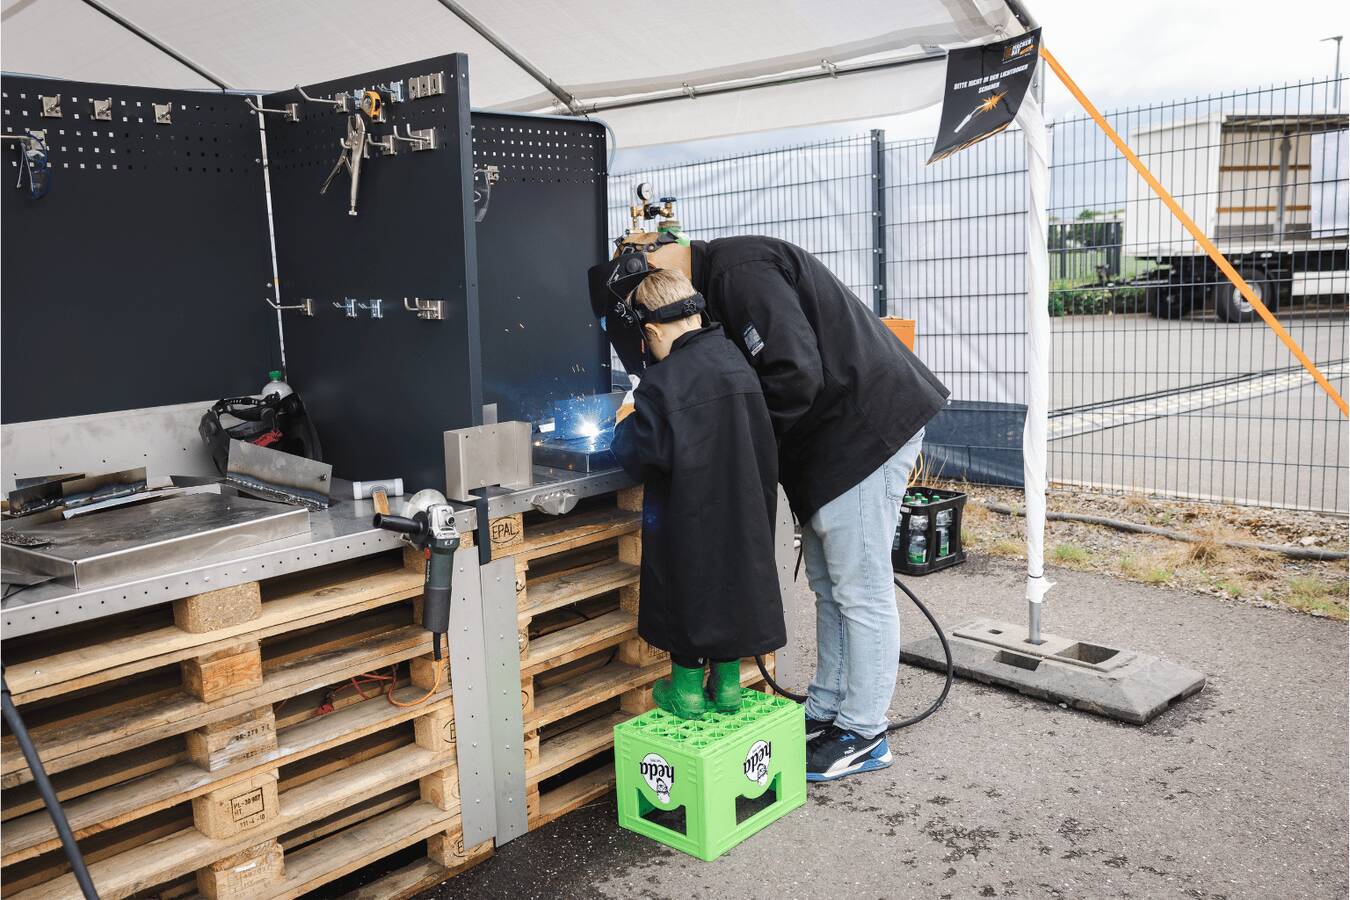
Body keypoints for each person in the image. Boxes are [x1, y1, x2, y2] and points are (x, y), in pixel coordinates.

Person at [598, 232, 949, 781]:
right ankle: (829, 710)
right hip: (827, 447)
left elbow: (793, 374)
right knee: (830, 587)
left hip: (865, 432)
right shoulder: (716, 290)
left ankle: (864, 733)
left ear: (669, 255)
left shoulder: (742, 271)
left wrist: (729, 440)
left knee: (861, 589)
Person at [610, 268, 785, 719]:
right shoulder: (738, 363)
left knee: (686, 589)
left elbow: (639, 457)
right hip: (745, 515)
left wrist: (625, 420)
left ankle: (686, 692)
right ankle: (727, 689)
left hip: (686, 521)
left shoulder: (662, 383)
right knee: (734, 585)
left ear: (650, 331)